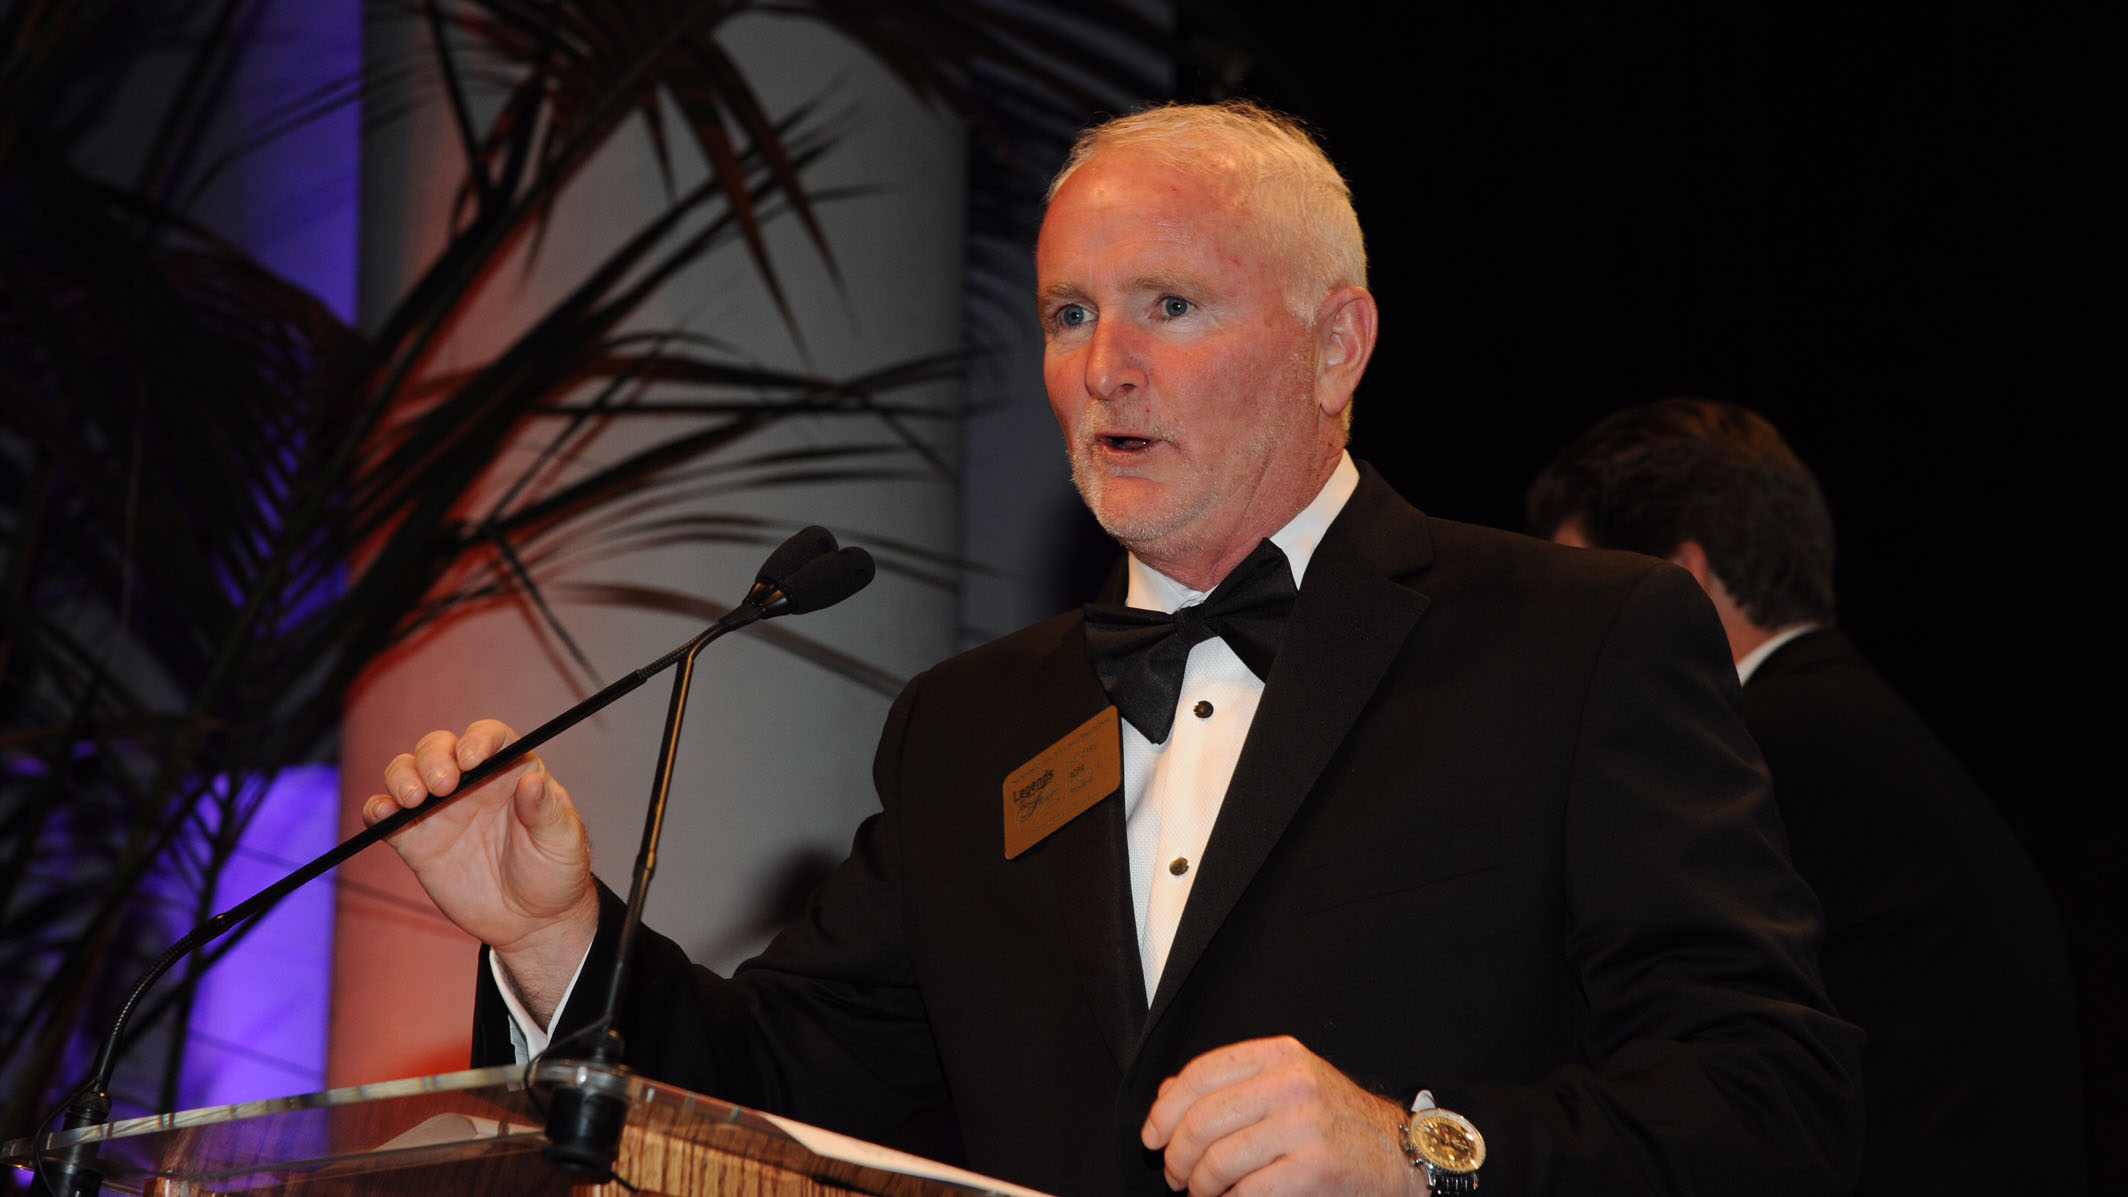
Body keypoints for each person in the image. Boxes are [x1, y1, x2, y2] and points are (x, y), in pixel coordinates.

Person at [368, 103, 1863, 1194]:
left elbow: (1774, 1097)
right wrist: (553, 934)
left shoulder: (1573, 641)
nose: (1105, 367)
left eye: (1170, 305)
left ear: (1337, 345)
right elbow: (793, 1101)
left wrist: (1425, 1150)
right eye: (1070, 313)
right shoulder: (972, 724)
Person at [1527, 397, 2087, 1195]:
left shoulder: (1757, 753)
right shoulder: (1842, 719)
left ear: (1677, 585)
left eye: (1581, 597)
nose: (1556, 650)